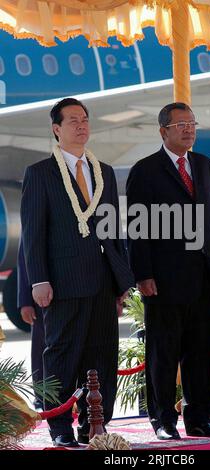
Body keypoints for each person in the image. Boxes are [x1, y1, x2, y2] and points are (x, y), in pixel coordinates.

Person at [20, 97, 134, 447]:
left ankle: (94, 425)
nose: (81, 126)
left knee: (101, 353)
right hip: (62, 282)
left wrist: (121, 281)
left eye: (84, 119)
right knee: (61, 355)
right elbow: (33, 233)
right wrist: (38, 280)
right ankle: (59, 429)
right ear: (57, 129)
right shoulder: (40, 173)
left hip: (101, 280)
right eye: (73, 121)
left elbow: (114, 230)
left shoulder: (104, 172)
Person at [126, 102, 210, 440]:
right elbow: (137, 228)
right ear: (163, 131)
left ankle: (200, 418)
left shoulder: (204, 166)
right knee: (164, 353)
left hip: (203, 277)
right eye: (181, 124)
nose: (189, 130)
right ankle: (162, 421)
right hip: (164, 280)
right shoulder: (146, 170)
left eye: (192, 123)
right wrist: (143, 274)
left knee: (203, 352)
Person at [17, 238, 45, 411]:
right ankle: (42, 396)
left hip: (76, 289)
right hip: (40, 296)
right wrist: (25, 300)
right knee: (41, 347)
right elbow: (24, 255)